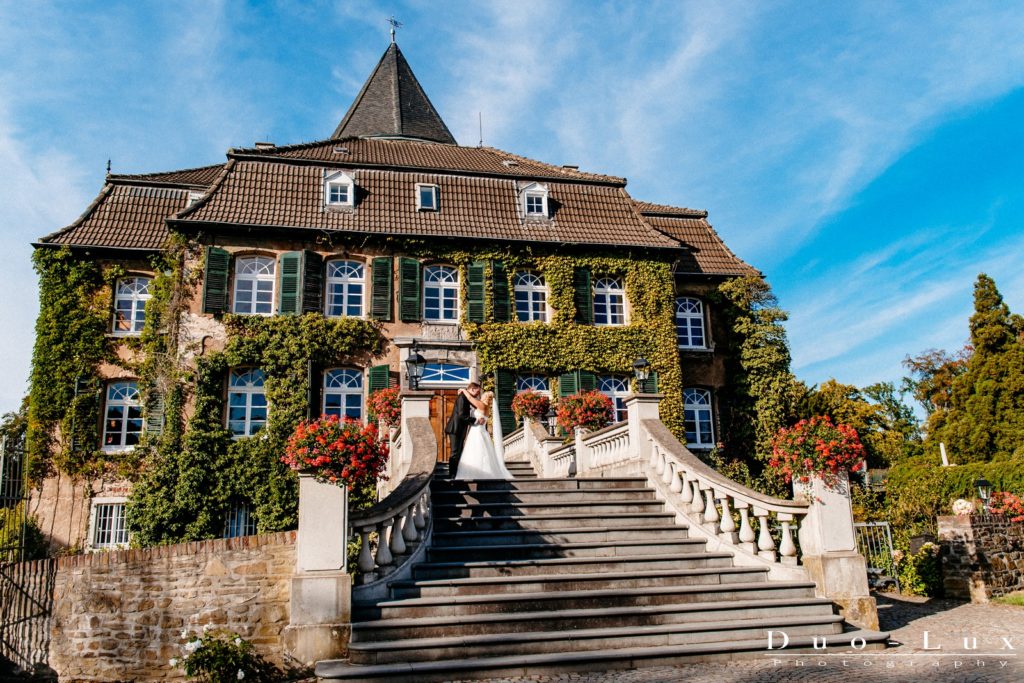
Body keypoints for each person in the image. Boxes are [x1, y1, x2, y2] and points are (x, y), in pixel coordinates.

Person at [454, 388, 513, 480]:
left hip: (477, 431)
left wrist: (463, 390)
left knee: (475, 451)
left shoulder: (481, 405)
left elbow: (469, 397)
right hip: (482, 431)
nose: (480, 395)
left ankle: (476, 473)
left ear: (485, 397)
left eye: (482, 394)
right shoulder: (487, 408)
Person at [444, 381, 483, 478]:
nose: (478, 394)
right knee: (455, 452)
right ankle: (452, 475)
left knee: (459, 452)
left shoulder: (467, 397)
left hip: (461, 429)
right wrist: (475, 420)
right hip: (455, 428)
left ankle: (456, 473)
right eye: (477, 392)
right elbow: (461, 415)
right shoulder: (462, 397)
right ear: (472, 389)